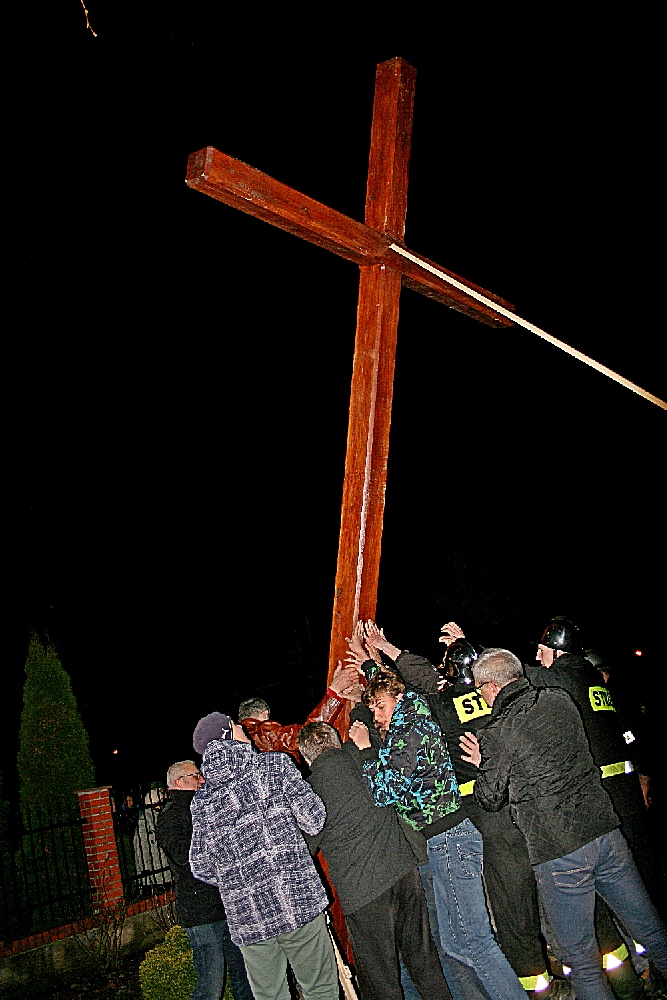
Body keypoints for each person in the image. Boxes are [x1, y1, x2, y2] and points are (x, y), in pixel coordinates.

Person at [360, 621, 556, 998]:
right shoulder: (422, 708)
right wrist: (373, 658)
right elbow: (396, 688)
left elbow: (385, 789)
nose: (377, 716)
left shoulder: (415, 723)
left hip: (457, 834)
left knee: (478, 940)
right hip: (460, 832)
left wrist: (368, 749)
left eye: (379, 708)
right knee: (457, 944)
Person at [462, 647, 667, 1000]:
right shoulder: (560, 700)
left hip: (560, 854)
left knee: (581, 960)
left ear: (491, 688)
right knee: (651, 929)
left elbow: (490, 798)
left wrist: (485, 761)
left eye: (481, 690)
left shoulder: (497, 732)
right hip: (605, 833)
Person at [297, 720, 452, 1000]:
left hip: (363, 894)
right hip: (404, 872)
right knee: (425, 963)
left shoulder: (309, 792)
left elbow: (304, 849)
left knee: (382, 983)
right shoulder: (365, 755)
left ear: (307, 758)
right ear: (335, 739)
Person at [189, 711, 338, 1000]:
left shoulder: (203, 802)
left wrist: (238, 880)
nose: (245, 730)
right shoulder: (274, 766)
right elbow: (315, 819)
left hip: (248, 920)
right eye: (238, 727)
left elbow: (201, 865)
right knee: (320, 991)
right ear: (227, 736)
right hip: (297, 902)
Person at [156, 760, 254, 1000]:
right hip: (201, 913)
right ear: (180, 782)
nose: (202, 781)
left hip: (226, 907)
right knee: (210, 988)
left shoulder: (207, 809)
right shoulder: (171, 817)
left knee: (245, 982)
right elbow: (182, 856)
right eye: (196, 776)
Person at [238, 662, 358, 759]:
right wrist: (334, 692)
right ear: (265, 715)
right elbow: (310, 734)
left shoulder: (233, 741)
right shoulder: (262, 732)